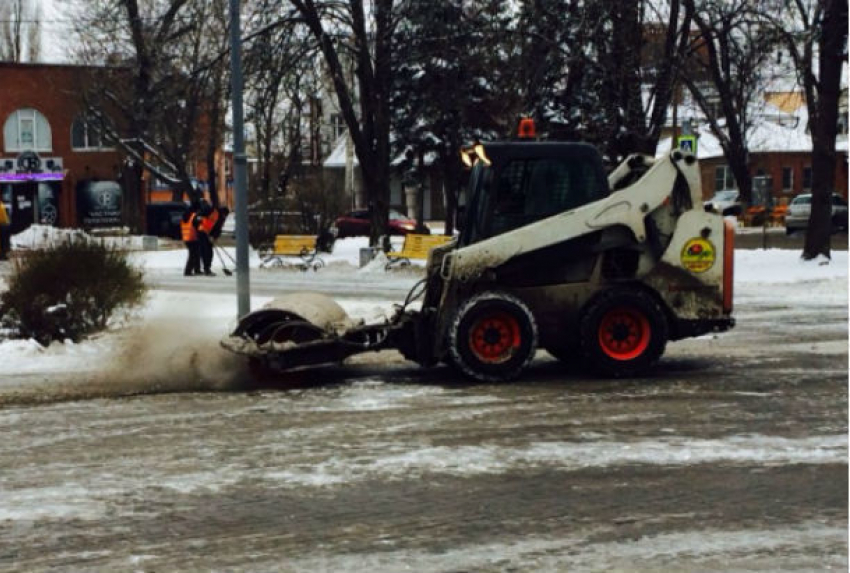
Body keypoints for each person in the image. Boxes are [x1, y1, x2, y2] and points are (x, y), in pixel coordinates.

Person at [180, 202, 201, 276]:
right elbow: (197, 226)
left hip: (186, 238)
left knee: (195, 254)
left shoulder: (185, 215)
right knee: (193, 255)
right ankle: (188, 271)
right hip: (193, 237)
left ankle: (196, 269)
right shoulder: (194, 216)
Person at [196, 201, 216, 276]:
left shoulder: (200, 214)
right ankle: (207, 269)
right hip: (203, 234)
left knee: (206, 252)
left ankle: (206, 268)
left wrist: (212, 235)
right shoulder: (203, 213)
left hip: (204, 233)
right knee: (206, 252)